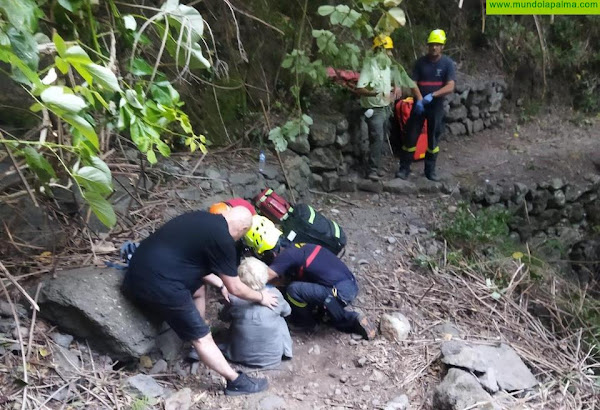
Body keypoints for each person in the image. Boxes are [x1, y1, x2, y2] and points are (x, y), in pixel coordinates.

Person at [121, 207, 278, 396]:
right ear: (242, 229)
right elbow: (236, 288)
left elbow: (193, 262)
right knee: (202, 338)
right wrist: (261, 296)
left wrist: (221, 285)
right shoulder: (223, 239)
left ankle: (197, 339)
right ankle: (235, 381)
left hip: (139, 269)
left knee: (199, 289)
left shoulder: (202, 218)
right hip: (157, 283)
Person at [266, 243, 377, 340]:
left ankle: (307, 323)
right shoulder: (299, 247)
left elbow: (265, 277)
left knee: (293, 291)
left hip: (340, 292)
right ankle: (343, 316)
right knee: (308, 294)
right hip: (349, 282)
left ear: (273, 253)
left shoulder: (286, 257)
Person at [397, 29, 456, 182]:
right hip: (419, 106)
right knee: (411, 136)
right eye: (431, 44)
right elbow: (413, 83)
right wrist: (420, 99)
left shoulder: (447, 64)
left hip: (435, 107)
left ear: (442, 46)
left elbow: (450, 86)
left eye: (437, 44)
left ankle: (430, 170)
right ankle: (404, 169)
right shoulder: (420, 63)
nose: (434, 47)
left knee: (433, 139)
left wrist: (433, 95)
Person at [220, 257, 293, 368]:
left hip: (237, 356)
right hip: (273, 359)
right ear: (265, 276)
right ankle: (286, 351)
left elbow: (224, 317)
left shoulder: (234, 298)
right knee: (280, 318)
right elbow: (287, 311)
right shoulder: (275, 294)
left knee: (239, 321)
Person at [355, 34, 395, 181]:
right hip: (374, 110)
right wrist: (375, 93)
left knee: (382, 137)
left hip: (385, 107)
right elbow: (359, 89)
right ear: (380, 50)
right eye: (388, 50)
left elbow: (390, 80)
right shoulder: (369, 66)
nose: (390, 53)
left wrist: (393, 90)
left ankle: (376, 166)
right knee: (376, 138)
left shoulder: (386, 65)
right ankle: (372, 170)